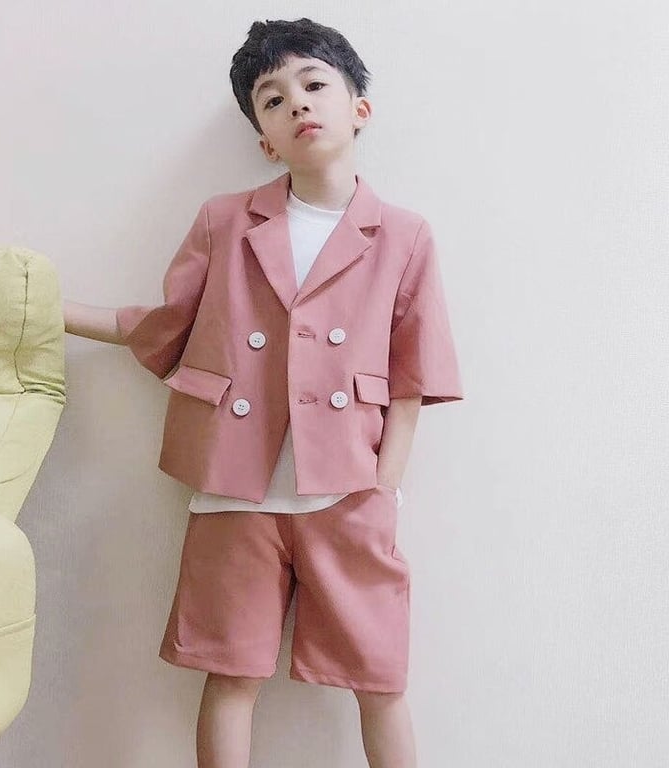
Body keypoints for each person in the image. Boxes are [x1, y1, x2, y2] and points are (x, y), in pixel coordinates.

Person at [65, 17, 464, 768]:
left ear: (359, 108)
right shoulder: (224, 220)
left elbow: (415, 374)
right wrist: (51, 312)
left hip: (347, 489)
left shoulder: (404, 234)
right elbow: (169, 326)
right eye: (272, 99)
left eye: (314, 84)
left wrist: (384, 487)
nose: (297, 103)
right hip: (232, 487)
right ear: (265, 142)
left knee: (380, 679)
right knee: (231, 674)